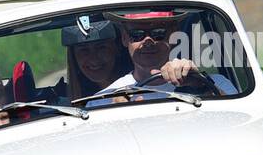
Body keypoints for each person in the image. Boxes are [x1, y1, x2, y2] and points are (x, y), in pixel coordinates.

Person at [98, 11, 238, 96]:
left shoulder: (217, 83)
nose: (148, 41)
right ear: (124, 37)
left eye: (158, 33)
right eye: (137, 34)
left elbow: (239, 122)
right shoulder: (106, 98)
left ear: (173, 35)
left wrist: (200, 84)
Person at [58, 19, 131, 101]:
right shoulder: (64, 102)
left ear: (117, 48)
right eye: (84, 50)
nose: (94, 59)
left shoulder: (138, 88)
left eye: (101, 48)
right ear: (74, 56)